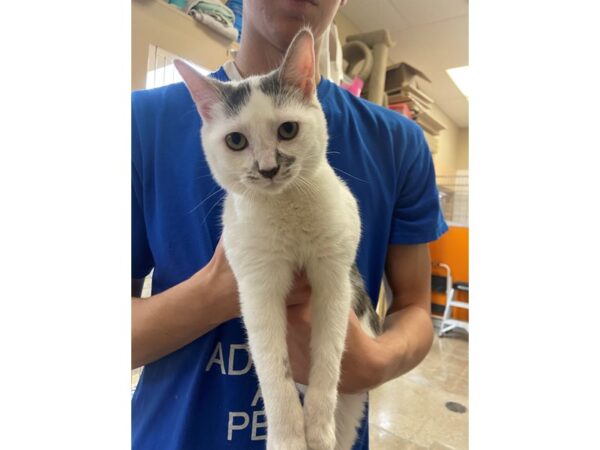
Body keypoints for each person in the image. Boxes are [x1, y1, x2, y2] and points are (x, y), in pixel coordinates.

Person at [131, 0, 447, 448]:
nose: (265, 166)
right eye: (237, 141)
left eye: (286, 132)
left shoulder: (401, 143)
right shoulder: (139, 123)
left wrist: (375, 362)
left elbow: (416, 305)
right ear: (207, 119)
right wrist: (222, 289)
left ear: (306, 90)